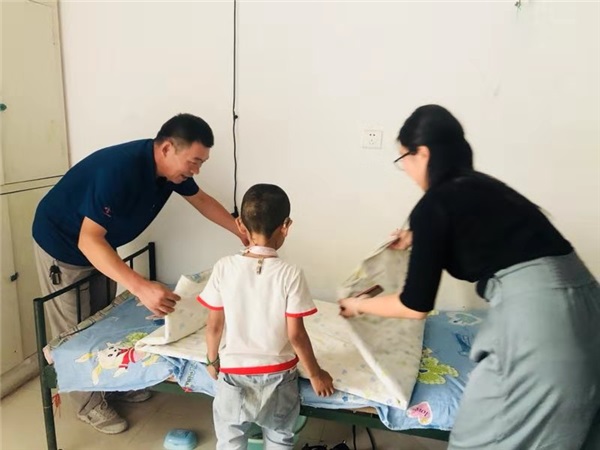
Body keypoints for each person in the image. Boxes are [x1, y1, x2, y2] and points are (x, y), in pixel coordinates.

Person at [338, 105, 600, 449]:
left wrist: (357, 305)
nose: (405, 170)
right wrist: (417, 237)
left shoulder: (433, 205)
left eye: (404, 159)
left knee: (485, 434)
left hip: (541, 321)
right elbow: (489, 236)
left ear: (423, 153)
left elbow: (414, 306)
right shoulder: (485, 187)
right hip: (588, 305)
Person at [32, 113, 248, 434]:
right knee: (75, 329)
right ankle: (88, 404)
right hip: (63, 245)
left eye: (201, 163)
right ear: (167, 149)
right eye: (194, 162)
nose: (196, 170)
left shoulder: (172, 173)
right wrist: (140, 286)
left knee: (103, 319)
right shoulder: (120, 171)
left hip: (100, 243)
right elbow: (87, 240)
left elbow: (201, 200)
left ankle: (113, 381)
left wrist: (241, 232)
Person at [198, 183, 334, 450]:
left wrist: (212, 361)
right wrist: (316, 374)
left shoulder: (224, 267)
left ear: (240, 224)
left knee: (229, 441)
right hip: (278, 377)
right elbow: (296, 335)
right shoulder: (291, 273)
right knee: (280, 439)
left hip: (234, 375)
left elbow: (213, 326)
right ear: (286, 226)